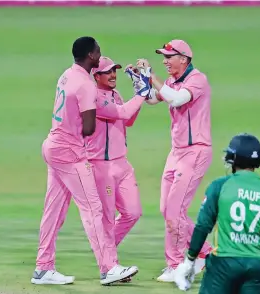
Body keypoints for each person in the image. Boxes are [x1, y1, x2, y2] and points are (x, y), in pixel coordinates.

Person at [33, 37, 139, 286]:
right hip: (70, 153)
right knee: (94, 209)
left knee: (54, 210)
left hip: (52, 145)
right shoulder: (87, 85)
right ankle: (109, 268)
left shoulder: (66, 75)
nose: (99, 55)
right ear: (91, 56)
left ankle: (43, 268)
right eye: (98, 52)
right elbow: (89, 127)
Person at [134, 39, 213, 282]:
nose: (165, 61)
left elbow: (178, 99)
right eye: (163, 57)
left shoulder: (197, 79)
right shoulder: (170, 81)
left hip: (195, 151)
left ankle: (179, 262)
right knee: (167, 210)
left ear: (184, 59)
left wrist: (152, 75)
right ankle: (203, 253)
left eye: (170, 57)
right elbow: (150, 99)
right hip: (176, 152)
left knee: (174, 212)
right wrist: (139, 79)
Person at [173, 133, 260, 294]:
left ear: (233, 158)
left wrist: (189, 261)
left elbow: (203, 226)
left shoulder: (220, 186)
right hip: (254, 267)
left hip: (222, 265)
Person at [85, 56, 149, 283]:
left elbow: (127, 119)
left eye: (114, 71)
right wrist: (142, 92)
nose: (113, 76)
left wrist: (138, 94)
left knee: (133, 212)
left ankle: (106, 255)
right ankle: (108, 268)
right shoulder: (93, 97)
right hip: (100, 165)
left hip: (122, 163)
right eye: (108, 72)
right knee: (107, 219)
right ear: (96, 76)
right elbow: (121, 113)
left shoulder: (115, 95)